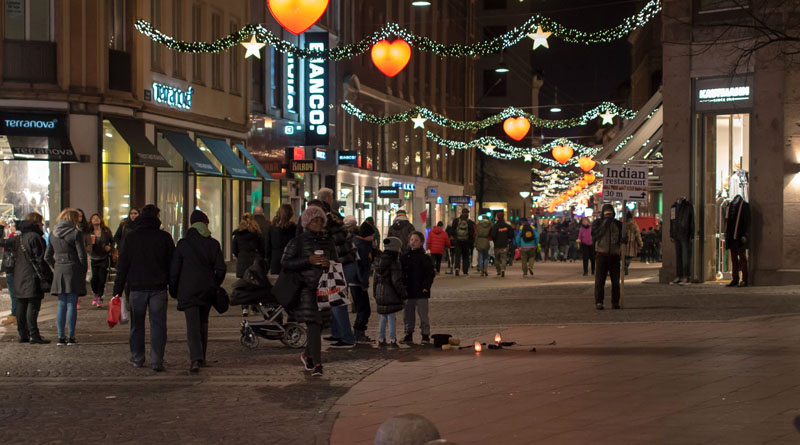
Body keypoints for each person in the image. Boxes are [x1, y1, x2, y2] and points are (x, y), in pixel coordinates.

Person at [113, 204, 175, 372]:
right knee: (158, 325)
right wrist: (173, 285)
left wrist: (117, 290)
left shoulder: (132, 237)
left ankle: (137, 358)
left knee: (137, 325)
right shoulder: (164, 237)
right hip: (158, 287)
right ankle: (157, 360)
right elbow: (172, 264)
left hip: (136, 287)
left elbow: (123, 265)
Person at [282, 205, 337, 376]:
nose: (318, 223)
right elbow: (286, 262)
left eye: (321, 220)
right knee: (313, 323)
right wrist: (308, 260)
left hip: (325, 287)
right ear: (307, 222)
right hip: (306, 288)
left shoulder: (328, 241)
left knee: (320, 325)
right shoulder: (297, 241)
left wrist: (330, 263)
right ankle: (318, 364)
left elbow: (336, 260)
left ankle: (307, 354)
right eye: (315, 220)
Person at [169, 210, 226, 373]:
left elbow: (175, 270)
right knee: (203, 323)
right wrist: (214, 284)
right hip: (207, 290)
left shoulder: (183, 244)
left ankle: (196, 359)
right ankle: (202, 357)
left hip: (187, 290)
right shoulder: (213, 244)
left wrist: (173, 289)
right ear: (205, 225)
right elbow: (221, 269)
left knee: (192, 325)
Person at [314, 189, 356, 348]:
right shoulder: (333, 218)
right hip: (342, 263)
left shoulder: (329, 221)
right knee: (334, 300)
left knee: (337, 300)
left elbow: (336, 244)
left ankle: (347, 337)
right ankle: (338, 333)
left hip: (342, 264)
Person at [0, 213, 50, 344]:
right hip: (32, 276)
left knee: (21, 304)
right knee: (33, 305)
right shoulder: (36, 237)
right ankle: (34, 335)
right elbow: (41, 260)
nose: (42, 225)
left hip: (19, 275)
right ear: (35, 223)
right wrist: (47, 276)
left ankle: (23, 334)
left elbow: (2, 242)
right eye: (41, 222)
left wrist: (1, 228)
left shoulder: (19, 237)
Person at [46, 209, 89, 346]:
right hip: (73, 269)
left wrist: (56, 266)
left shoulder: (53, 234)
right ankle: (71, 337)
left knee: (61, 304)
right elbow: (82, 255)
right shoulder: (75, 233)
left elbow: (47, 256)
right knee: (72, 304)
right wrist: (83, 272)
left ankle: (60, 337)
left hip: (59, 269)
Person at [401, 231, 435, 344]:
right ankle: (408, 333)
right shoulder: (404, 257)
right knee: (408, 314)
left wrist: (426, 286)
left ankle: (425, 335)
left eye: (416, 240)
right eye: (411, 240)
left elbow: (430, 274)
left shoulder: (425, 258)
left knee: (423, 315)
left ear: (421, 243)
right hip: (408, 291)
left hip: (421, 291)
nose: (413, 242)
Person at [374, 237, 406, 348]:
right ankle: (392, 339)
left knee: (383, 317)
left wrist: (375, 293)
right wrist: (403, 293)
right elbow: (396, 281)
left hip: (380, 292)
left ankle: (381, 339)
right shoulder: (394, 261)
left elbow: (375, 280)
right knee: (391, 317)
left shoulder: (379, 260)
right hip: (391, 293)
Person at [592, 204, 625, 310]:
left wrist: (624, 240)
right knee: (600, 280)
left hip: (614, 255)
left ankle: (615, 301)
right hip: (601, 254)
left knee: (615, 281)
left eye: (610, 214)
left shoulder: (618, 224)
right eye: (606, 214)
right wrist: (604, 225)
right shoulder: (598, 223)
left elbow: (623, 237)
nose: (608, 216)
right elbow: (595, 235)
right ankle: (599, 301)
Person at [232, 213, 264, 317]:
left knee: (244, 284)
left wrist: (240, 256)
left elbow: (234, 249)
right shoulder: (256, 233)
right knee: (255, 283)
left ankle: (245, 308)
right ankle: (254, 306)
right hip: (253, 260)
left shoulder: (237, 235)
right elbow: (262, 248)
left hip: (242, 260)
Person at [352, 220, 375, 344]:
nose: (373, 238)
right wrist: (364, 283)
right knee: (364, 309)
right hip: (358, 282)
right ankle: (359, 332)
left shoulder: (357, 243)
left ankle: (358, 332)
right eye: (372, 235)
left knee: (362, 308)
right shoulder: (363, 246)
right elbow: (363, 267)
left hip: (354, 281)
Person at [88, 213, 113, 308]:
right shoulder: (89, 232)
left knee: (102, 279)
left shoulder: (106, 231)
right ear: (91, 221)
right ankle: (96, 294)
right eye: (93, 218)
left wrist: (109, 247)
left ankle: (100, 297)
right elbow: (85, 242)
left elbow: (112, 241)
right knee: (94, 278)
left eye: (97, 218)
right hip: (93, 257)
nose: (95, 219)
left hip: (104, 257)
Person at [266, 204, 297, 275]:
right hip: (289, 259)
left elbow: (267, 246)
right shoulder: (293, 228)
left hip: (275, 259)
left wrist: (268, 259)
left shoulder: (272, 228)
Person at [1, 221, 18, 326]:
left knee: (14, 293)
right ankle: (15, 314)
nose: (11, 227)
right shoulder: (15, 237)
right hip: (12, 268)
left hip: (11, 268)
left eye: (13, 226)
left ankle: (15, 315)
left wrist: (0, 228)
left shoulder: (14, 238)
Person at [451, 208, 476, 276]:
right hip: (466, 241)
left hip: (458, 241)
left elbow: (452, 230)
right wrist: (471, 242)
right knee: (465, 256)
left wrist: (454, 238)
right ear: (467, 214)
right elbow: (472, 233)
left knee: (457, 255)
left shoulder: (456, 221)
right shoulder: (470, 222)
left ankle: (457, 268)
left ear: (461, 213)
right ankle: (465, 270)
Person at [490, 212, 513, 277]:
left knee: (496, 258)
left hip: (497, 245)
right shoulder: (507, 226)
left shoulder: (495, 226)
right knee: (504, 258)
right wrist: (508, 238)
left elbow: (493, 235)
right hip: (504, 244)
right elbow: (511, 234)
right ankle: (503, 269)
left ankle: (498, 270)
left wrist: (495, 241)